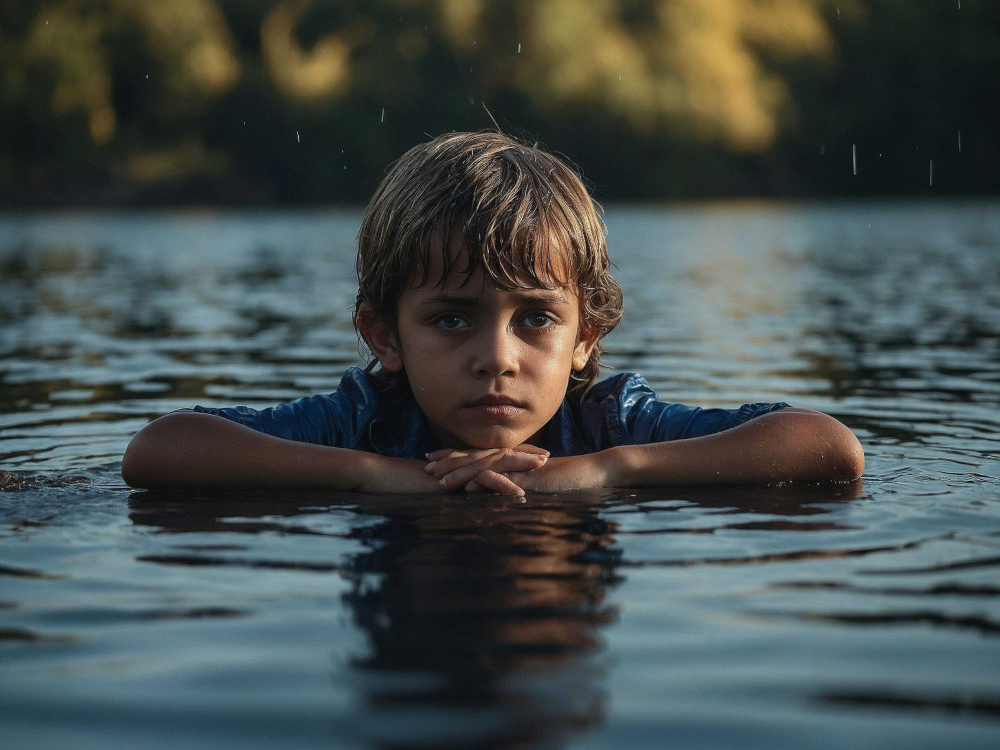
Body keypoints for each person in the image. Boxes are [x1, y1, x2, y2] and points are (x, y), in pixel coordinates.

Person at [121, 131, 864, 496]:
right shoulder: (365, 418)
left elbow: (827, 446)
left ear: (587, 336)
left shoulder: (608, 421)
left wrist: (609, 472)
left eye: (536, 319)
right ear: (385, 335)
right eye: (451, 319)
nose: (497, 357)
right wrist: (378, 476)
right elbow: (158, 450)